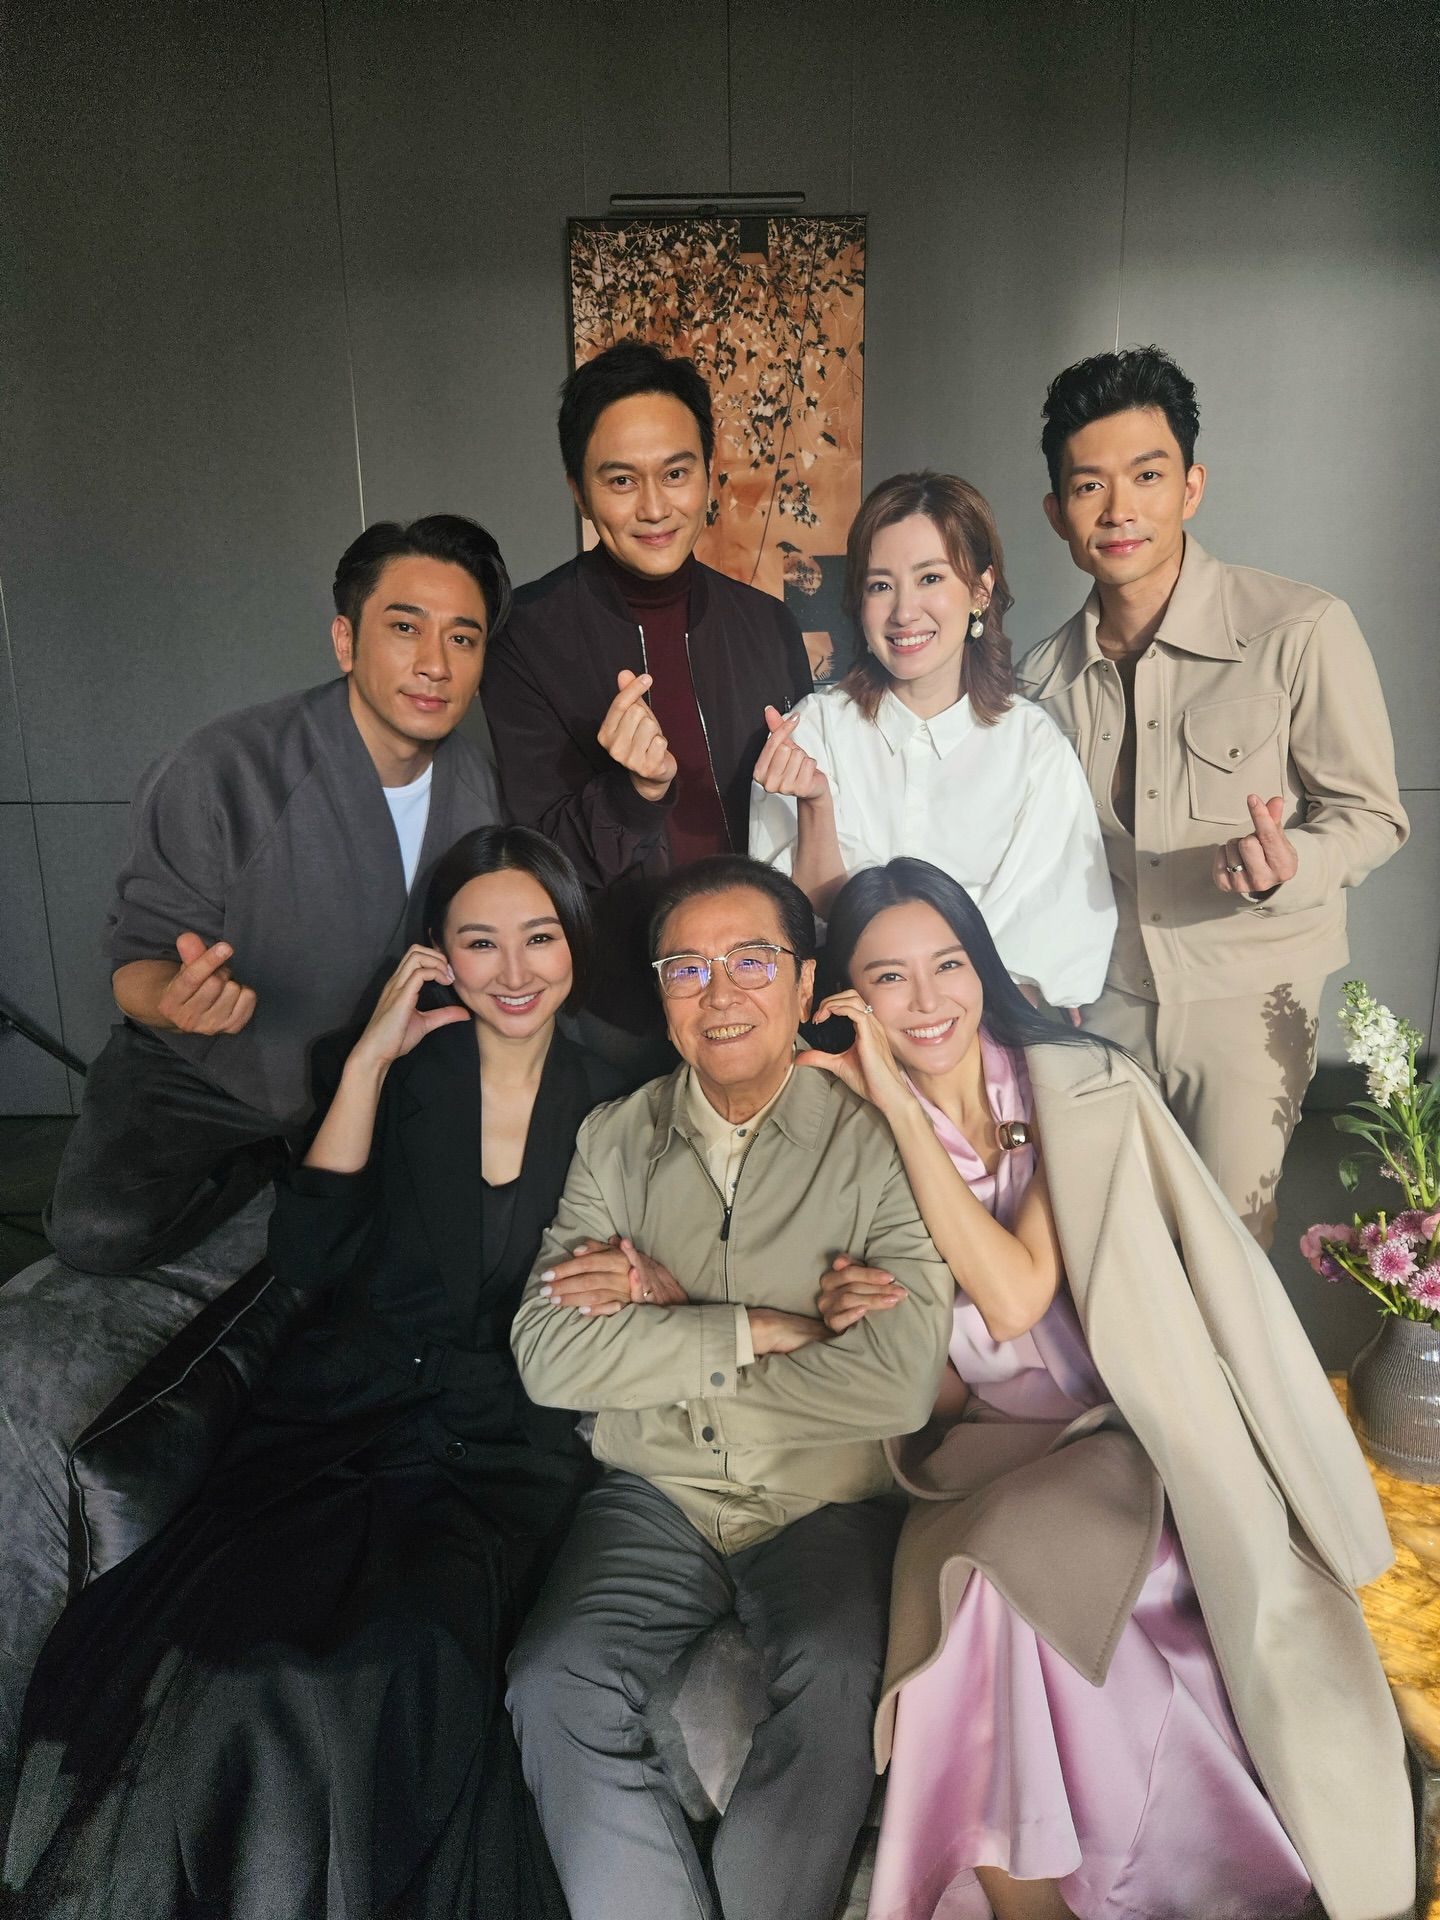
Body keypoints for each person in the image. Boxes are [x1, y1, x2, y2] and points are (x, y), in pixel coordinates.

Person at [5, 828, 627, 1920]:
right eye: (480, 942)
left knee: (398, 1663)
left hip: (505, 1449)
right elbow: (307, 1255)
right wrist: (373, 1060)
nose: (514, 971)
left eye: (539, 937)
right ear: (437, 952)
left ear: (575, 937)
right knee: (227, 1664)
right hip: (341, 1422)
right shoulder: (388, 1061)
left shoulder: (627, 1080)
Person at [800, 857, 1411, 1920]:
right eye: (887, 978)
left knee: (1005, 1580)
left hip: (1117, 1433)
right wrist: (870, 1320)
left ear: (983, 966)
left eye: (949, 963)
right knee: (974, 1592)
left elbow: (1015, 1296)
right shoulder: (841, 1137)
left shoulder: (1071, 1090)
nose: (927, 999)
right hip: (978, 1451)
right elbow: (933, 1392)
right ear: (849, 1001)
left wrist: (898, 1105)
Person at [503, 854, 953, 1920]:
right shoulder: (616, 1140)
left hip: (823, 1499)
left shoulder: (881, 1141)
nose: (720, 993)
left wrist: (661, 1343)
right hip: (652, 1497)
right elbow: (547, 1356)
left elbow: (898, 1383)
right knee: (553, 1679)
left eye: (752, 960)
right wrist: (763, 1330)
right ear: (662, 997)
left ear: (805, 985)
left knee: (838, 1675)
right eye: (687, 968)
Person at [46, 514, 511, 1277]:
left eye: (462, 638)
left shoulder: (475, 786)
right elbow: (136, 966)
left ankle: (308, 1158)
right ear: (345, 640)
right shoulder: (220, 768)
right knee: (99, 1231)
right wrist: (179, 1000)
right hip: (206, 1069)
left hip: (371, 1063)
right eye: (405, 627)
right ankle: (267, 1159)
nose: (435, 664)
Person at [1017, 346, 1408, 1242]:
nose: (1120, 510)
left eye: (1147, 475)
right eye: (1089, 486)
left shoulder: (1299, 630)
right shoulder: (1041, 681)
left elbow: (1373, 816)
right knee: (1109, 1248)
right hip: (1103, 1005)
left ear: (1191, 487)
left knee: (1231, 1252)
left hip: (1249, 998)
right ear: (1057, 512)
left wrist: (1292, 863)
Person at [483, 341, 813, 1047]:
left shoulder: (767, 626)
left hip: (758, 995)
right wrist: (632, 794)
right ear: (579, 490)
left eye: (676, 473)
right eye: (621, 481)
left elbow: (802, 828)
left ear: (708, 476)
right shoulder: (525, 639)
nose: (656, 507)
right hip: (613, 1010)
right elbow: (532, 869)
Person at [750, 471, 1115, 1017]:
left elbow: (1055, 938)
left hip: (988, 1030)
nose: (903, 611)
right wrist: (816, 807)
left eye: (929, 578)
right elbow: (793, 928)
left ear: (980, 591)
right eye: (880, 585)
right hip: (843, 1022)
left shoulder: (1031, 744)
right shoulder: (813, 731)